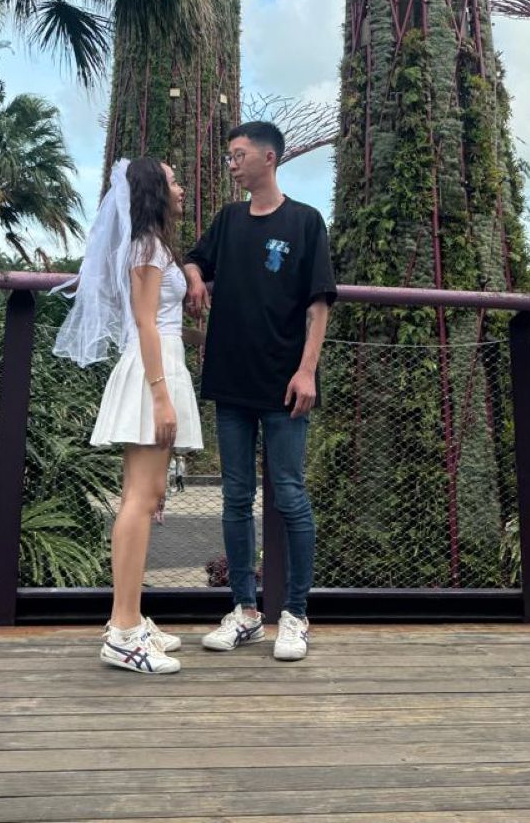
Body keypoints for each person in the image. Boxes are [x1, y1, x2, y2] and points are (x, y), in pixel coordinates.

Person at [183, 121, 335, 662]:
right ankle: (245, 611)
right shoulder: (228, 220)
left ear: (269, 158)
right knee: (235, 497)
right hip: (231, 379)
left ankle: (295, 614)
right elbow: (195, 257)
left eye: (238, 154)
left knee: (290, 494)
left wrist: (307, 371)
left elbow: (319, 305)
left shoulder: (305, 221)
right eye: (229, 155)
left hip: (286, 384)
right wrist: (195, 276)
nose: (231, 163)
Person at [54, 156, 202, 675]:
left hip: (159, 366)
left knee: (147, 495)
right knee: (139, 499)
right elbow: (144, 322)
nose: (181, 188)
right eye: (174, 181)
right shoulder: (146, 247)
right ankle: (122, 631)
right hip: (152, 371)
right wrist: (160, 396)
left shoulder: (153, 246)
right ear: (155, 191)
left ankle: (131, 618)